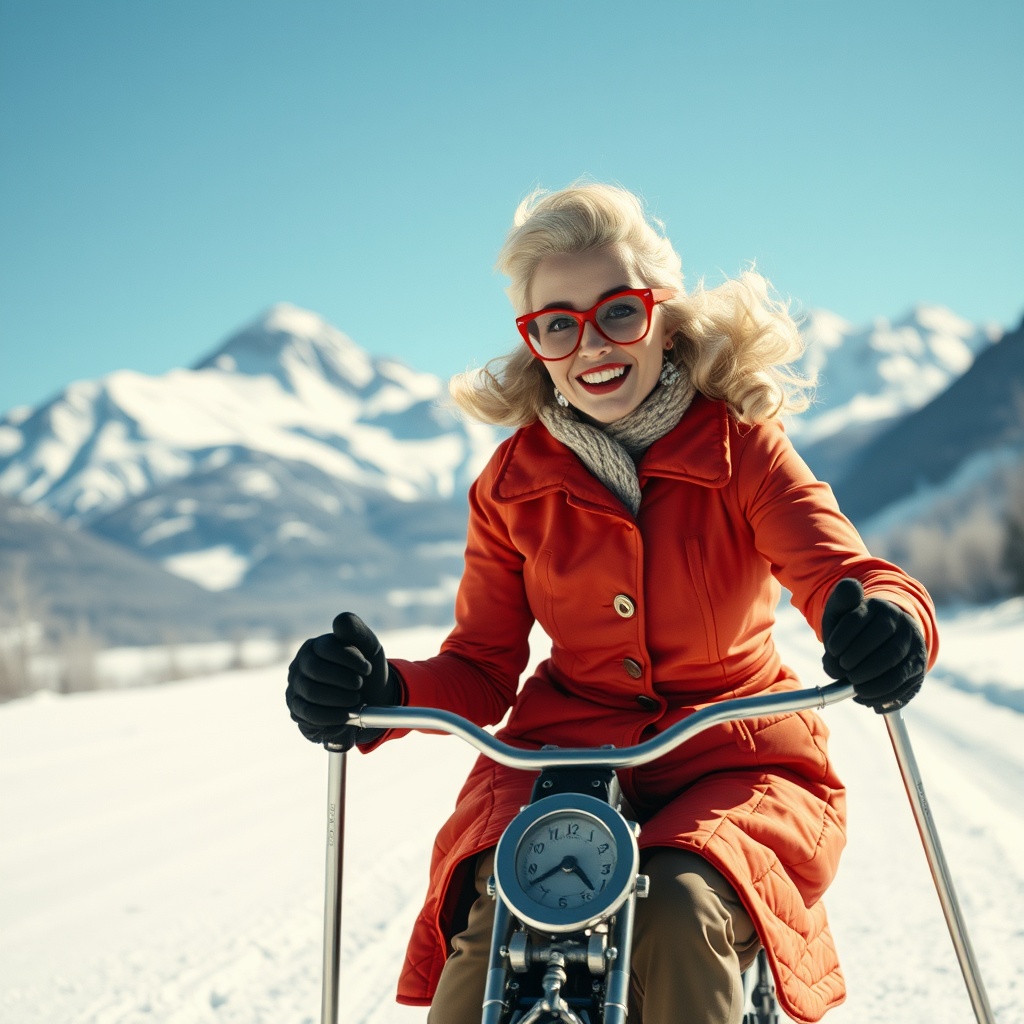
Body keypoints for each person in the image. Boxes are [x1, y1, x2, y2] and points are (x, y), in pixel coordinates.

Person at [286, 183, 937, 1024]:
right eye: (557, 324)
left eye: (618, 312)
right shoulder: (510, 486)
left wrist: (889, 623)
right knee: (496, 932)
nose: (590, 343)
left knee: (679, 907)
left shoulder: (742, 449)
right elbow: (481, 668)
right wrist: (381, 692)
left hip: (733, 756)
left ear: (663, 315)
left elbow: (843, 571)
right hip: (559, 762)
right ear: (535, 344)